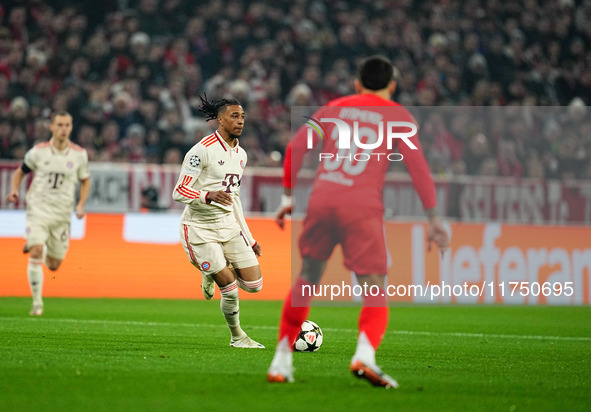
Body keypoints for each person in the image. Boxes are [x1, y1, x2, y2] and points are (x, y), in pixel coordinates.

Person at [267, 56, 450, 387]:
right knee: (374, 286)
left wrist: (286, 199)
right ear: (392, 86)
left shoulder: (334, 108)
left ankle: (281, 361)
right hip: (361, 207)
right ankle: (365, 356)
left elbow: (295, 147)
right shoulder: (399, 116)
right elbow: (418, 168)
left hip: (322, 200)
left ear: (357, 83)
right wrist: (434, 218)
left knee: (307, 277)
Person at [172, 95, 265, 348]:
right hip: (200, 228)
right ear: (220, 120)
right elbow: (179, 191)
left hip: (229, 227)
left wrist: (250, 237)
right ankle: (238, 337)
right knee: (230, 286)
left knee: (255, 284)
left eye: (243, 116)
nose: (240, 121)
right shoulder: (201, 151)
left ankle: (211, 270)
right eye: (234, 116)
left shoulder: (241, 155)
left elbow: (234, 200)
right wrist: (206, 195)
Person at [7, 111, 91, 316]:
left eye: (68, 125)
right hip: (38, 209)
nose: (64, 129)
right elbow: (20, 172)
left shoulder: (79, 154)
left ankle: (36, 244)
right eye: (60, 125)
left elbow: (85, 180)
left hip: (62, 215)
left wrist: (80, 205)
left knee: (53, 265)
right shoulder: (38, 152)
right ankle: (37, 304)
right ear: (51, 127)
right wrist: (14, 190)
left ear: (71, 128)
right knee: (36, 252)